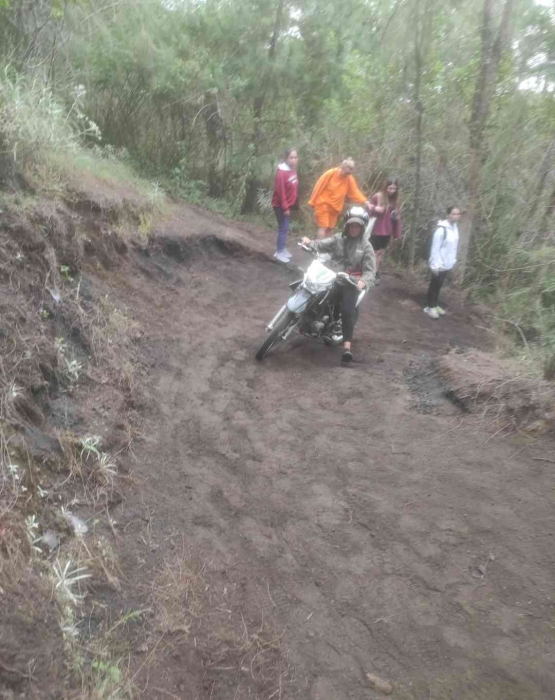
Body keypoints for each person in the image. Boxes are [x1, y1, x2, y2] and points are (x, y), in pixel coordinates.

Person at [301, 206, 376, 363]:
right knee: (314, 293)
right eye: (351, 225)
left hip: (350, 283)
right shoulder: (338, 239)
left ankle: (347, 348)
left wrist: (363, 281)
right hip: (332, 277)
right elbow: (321, 244)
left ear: (362, 227)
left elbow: (370, 271)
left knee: (347, 310)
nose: (354, 228)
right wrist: (310, 243)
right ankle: (308, 321)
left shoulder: (366, 247)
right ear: (347, 225)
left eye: (357, 226)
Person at [308, 158, 372, 239]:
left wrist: (365, 202)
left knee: (329, 229)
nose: (348, 174)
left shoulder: (349, 178)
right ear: (342, 167)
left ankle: (326, 248)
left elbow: (354, 192)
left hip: (335, 208)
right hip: (323, 204)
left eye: (350, 172)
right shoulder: (330, 173)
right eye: (347, 171)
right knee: (323, 227)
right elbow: (318, 186)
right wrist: (312, 201)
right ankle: (319, 249)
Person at [424, 206, 461, 319]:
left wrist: (452, 260)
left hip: (447, 263)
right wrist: (434, 265)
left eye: (458, 214)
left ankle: (435, 304)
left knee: (439, 285)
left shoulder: (454, 228)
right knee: (434, 284)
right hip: (439, 263)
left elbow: (453, 246)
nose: (455, 216)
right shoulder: (441, 230)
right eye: (453, 214)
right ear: (448, 215)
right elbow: (435, 249)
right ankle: (430, 306)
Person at [367, 178, 402, 276]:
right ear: (386, 187)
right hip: (376, 230)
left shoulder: (394, 200)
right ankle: (368, 272)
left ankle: (374, 271)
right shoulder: (378, 196)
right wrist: (376, 209)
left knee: (379, 253)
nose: (392, 191)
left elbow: (397, 217)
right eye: (390, 188)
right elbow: (368, 210)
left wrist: (397, 233)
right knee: (372, 252)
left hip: (387, 231)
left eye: (394, 189)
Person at [271, 148, 299, 263]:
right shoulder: (281, 172)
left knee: (284, 227)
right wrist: (285, 207)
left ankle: (282, 248)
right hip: (280, 205)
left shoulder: (292, 170)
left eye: (295, 157)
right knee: (283, 228)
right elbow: (280, 192)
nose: (294, 160)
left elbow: (294, 187)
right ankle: (279, 252)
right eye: (291, 157)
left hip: (288, 205)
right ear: (286, 158)